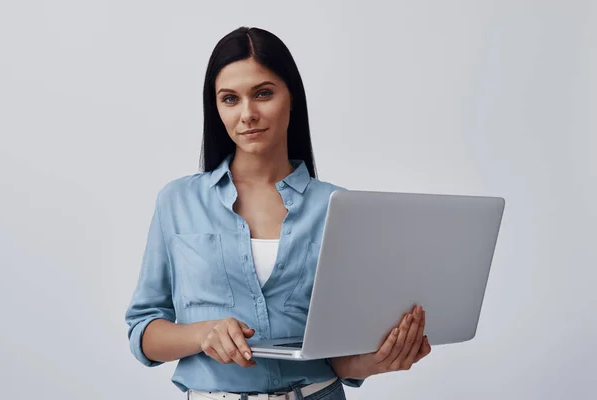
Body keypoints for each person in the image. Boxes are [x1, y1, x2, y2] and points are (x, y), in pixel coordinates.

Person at [124, 26, 431, 400]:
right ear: (216, 107)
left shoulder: (339, 208)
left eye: (263, 93)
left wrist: (380, 359)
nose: (248, 113)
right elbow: (143, 329)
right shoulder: (178, 201)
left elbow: (337, 358)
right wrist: (203, 333)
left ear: (292, 99)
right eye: (230, 99)